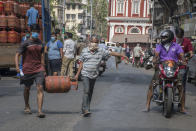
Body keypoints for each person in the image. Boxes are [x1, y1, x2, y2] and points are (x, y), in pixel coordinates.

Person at [74, 36, 129, 117]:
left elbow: (111, 53)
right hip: (85, 74)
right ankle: (85, 109)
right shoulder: (85, 51)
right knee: (86, 91)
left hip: (94, 75)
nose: (94, 44)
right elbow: (81, 62)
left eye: (96, 42)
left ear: (98, 43)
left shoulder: (101, 51)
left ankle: (86, 108)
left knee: (90, 92)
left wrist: (122, 55)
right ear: (90, 42)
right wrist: (77, 75)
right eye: (93, 42)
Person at [144, 30, 186, 112]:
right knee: (152, 85)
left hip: (174, 67)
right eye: (162, 37)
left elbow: (182, 55)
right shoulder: (159, 46)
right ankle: (147, 105)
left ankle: (182, 108)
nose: (163, 39)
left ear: (170, 37)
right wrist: (154, 60)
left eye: (165, 37)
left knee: (181, 86)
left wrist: (184, 60)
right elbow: (156, 55)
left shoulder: (177, 46)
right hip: (162, 66)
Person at [15, 25, 45, 118]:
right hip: (27, 69)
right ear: (31, 32)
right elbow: (17, 55)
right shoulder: (25, 43)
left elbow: (42, 55)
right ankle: (27, 106)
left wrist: (44, 68)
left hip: (38, 69)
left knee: (40, 87)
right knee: (27, 88)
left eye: (38, 31)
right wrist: (17, 67)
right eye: (35, 31)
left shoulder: (41, 43)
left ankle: (40, 111)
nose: (36, 33)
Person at [174, 28, 193, 113]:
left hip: (182, 66)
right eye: (178, 36)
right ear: (175, 35)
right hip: (171, 65)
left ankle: (182, 107)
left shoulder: (187, 41)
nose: (179, 38)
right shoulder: (172, 40)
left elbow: (191, 52)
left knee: (182, 86)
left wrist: (187, 57)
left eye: (180, 36)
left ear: (183, 35)